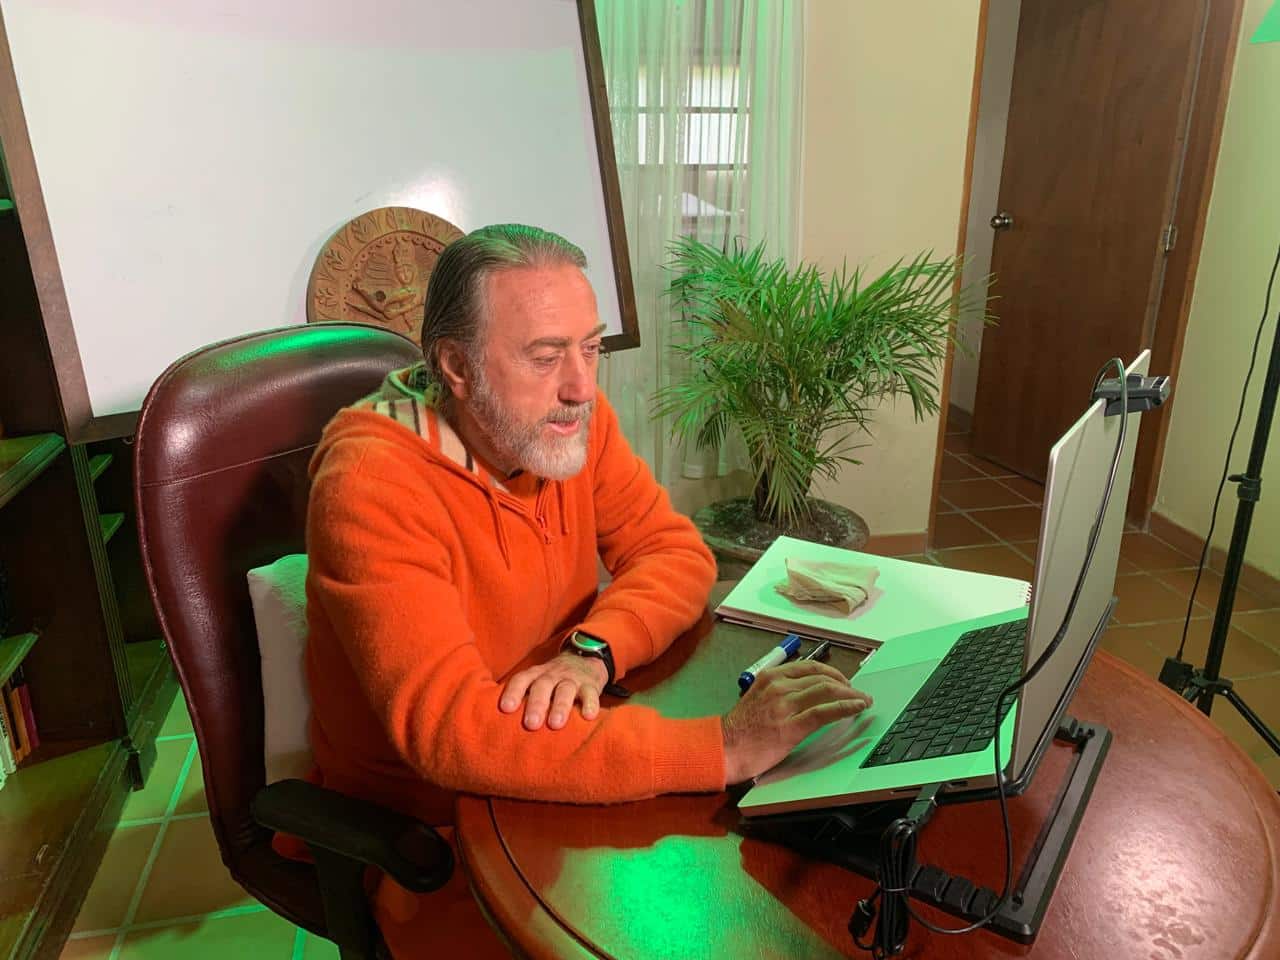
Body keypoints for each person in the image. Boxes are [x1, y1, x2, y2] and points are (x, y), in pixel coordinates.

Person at [302, 223, 872, 957]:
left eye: (591, 348)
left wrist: (592, 653)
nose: (580, 388)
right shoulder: (371, 485)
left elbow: (672, 551)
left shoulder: (562, 422)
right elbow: (451, 731)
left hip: (558, 760)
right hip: (437, 833)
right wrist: (721, 747)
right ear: (457, 366)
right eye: (545, 357)